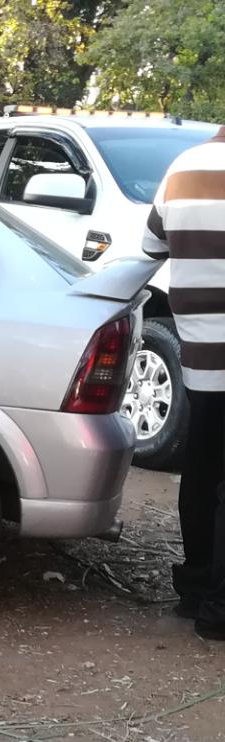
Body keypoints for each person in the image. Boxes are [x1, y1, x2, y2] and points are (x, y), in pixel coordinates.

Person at [143, 127, 225, 641]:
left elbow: (151, 245)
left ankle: (196, 588)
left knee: (203, 465)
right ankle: (218, 609)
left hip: (201, 359)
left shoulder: (182, 169)